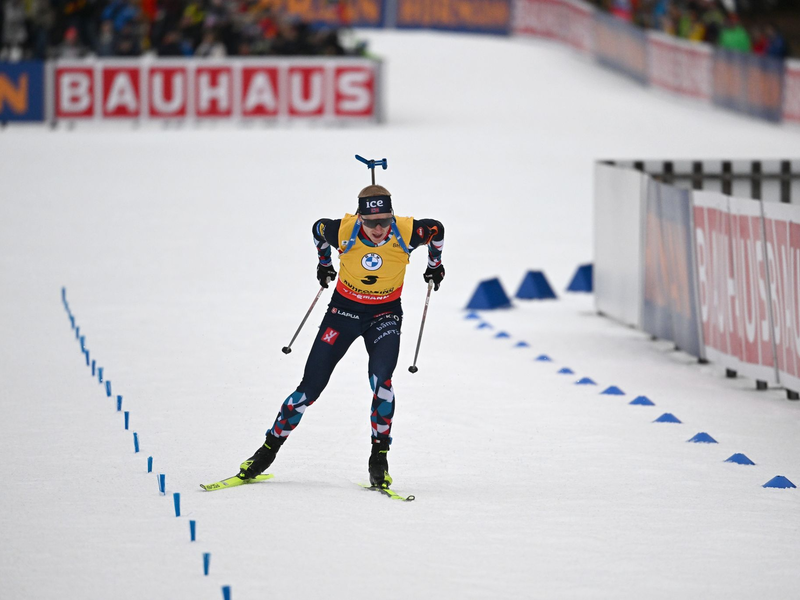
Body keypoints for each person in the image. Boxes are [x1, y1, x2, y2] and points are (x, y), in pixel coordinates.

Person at [237, 184, 445, 488]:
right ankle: (267, 450)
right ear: (360, 217)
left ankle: (379, 458)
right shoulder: (342, 232)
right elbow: (317, 229)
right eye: (371, 221)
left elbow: (437, 230)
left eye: (385, 221)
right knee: (309, 389)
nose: (378, 229)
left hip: (384, 316)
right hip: (343, 314)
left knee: (382, 383)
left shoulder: (408, 232)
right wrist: (324, 263)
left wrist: (434, 267)